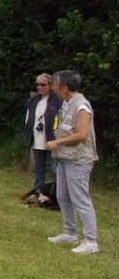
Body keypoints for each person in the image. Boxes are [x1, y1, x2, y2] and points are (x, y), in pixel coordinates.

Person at [45, 70, 99, 255]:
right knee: (62, 196)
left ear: (65, 87)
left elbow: (82, 134)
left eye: (55, 85)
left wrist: (57, 142)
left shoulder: (82, 105)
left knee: (80, 200)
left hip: (79, 160)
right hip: (64, 158)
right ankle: (70, 233)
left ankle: (91, 242)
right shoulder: (65, 103)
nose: (53, 88)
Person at [24, 73, 62, 189]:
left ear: (50, 85)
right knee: (39, 169)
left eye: (43, 84)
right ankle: (38, 192)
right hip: (36, 139)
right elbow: (28, 119)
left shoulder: (58, 101)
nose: (40, 87)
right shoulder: (33, 100)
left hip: (51, 140)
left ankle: (57, 195)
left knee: (55, 170)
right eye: (37, 84)